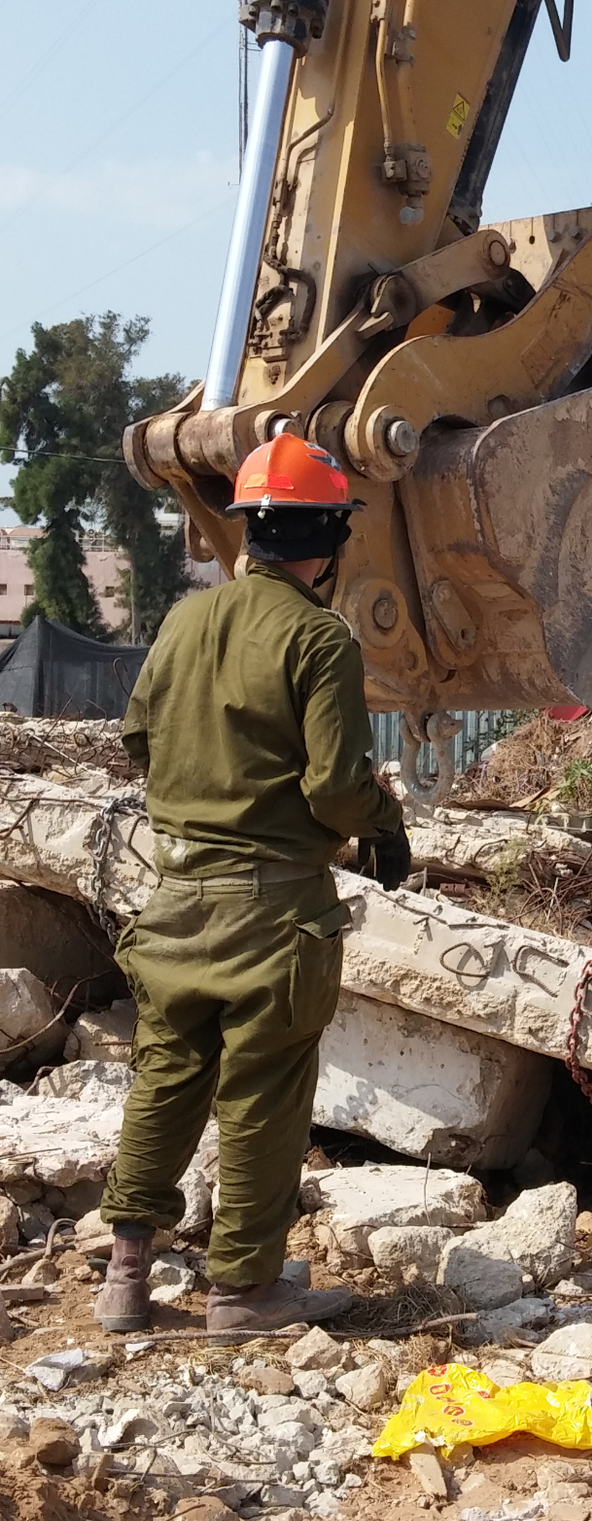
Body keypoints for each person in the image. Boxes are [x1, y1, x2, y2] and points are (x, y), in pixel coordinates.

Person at [96, 433, 412, 1344]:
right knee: (265, 1093)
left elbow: (139, 739)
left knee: (163, 1079)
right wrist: (383, 828)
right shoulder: (321, 639)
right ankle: (244, 1289)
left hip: (175, 900)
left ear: (250, 531)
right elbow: (336, 787)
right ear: (331, 540)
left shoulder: (186, 622)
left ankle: (126, 1279)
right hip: (272, 915)